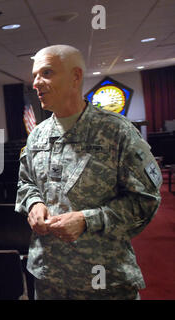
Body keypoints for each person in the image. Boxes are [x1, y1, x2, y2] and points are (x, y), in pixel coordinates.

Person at [15, 44, 162, 299]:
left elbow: (146, 201)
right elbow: (26, 183)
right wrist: (34, 203)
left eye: (47, 73)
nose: (36, 82)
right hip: (48, 276)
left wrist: (87, 220)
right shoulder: (36, 134)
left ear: (75, 77)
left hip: (103, 278)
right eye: (35, 75)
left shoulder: (117, 131)